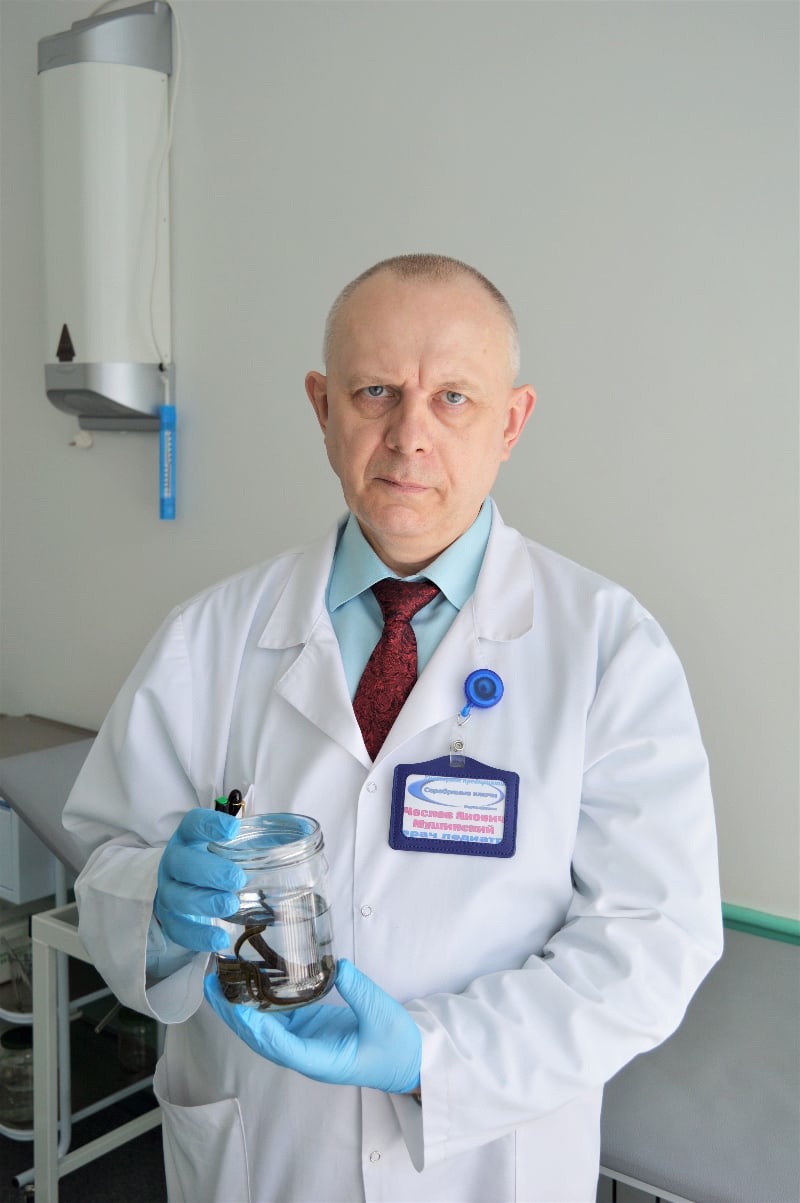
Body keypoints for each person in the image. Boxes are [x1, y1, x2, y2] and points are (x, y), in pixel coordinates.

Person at [63, 253, 722, 1203]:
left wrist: (431, 1055)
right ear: (322, 407)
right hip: (264, 1157)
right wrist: (155, 906)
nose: (410, 435)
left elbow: (653, 939)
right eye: (375, 391)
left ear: (511, 421)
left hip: (485, 1162)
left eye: (453, 397)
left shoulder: (608, 647)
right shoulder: (208, 637)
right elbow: (106, 862)